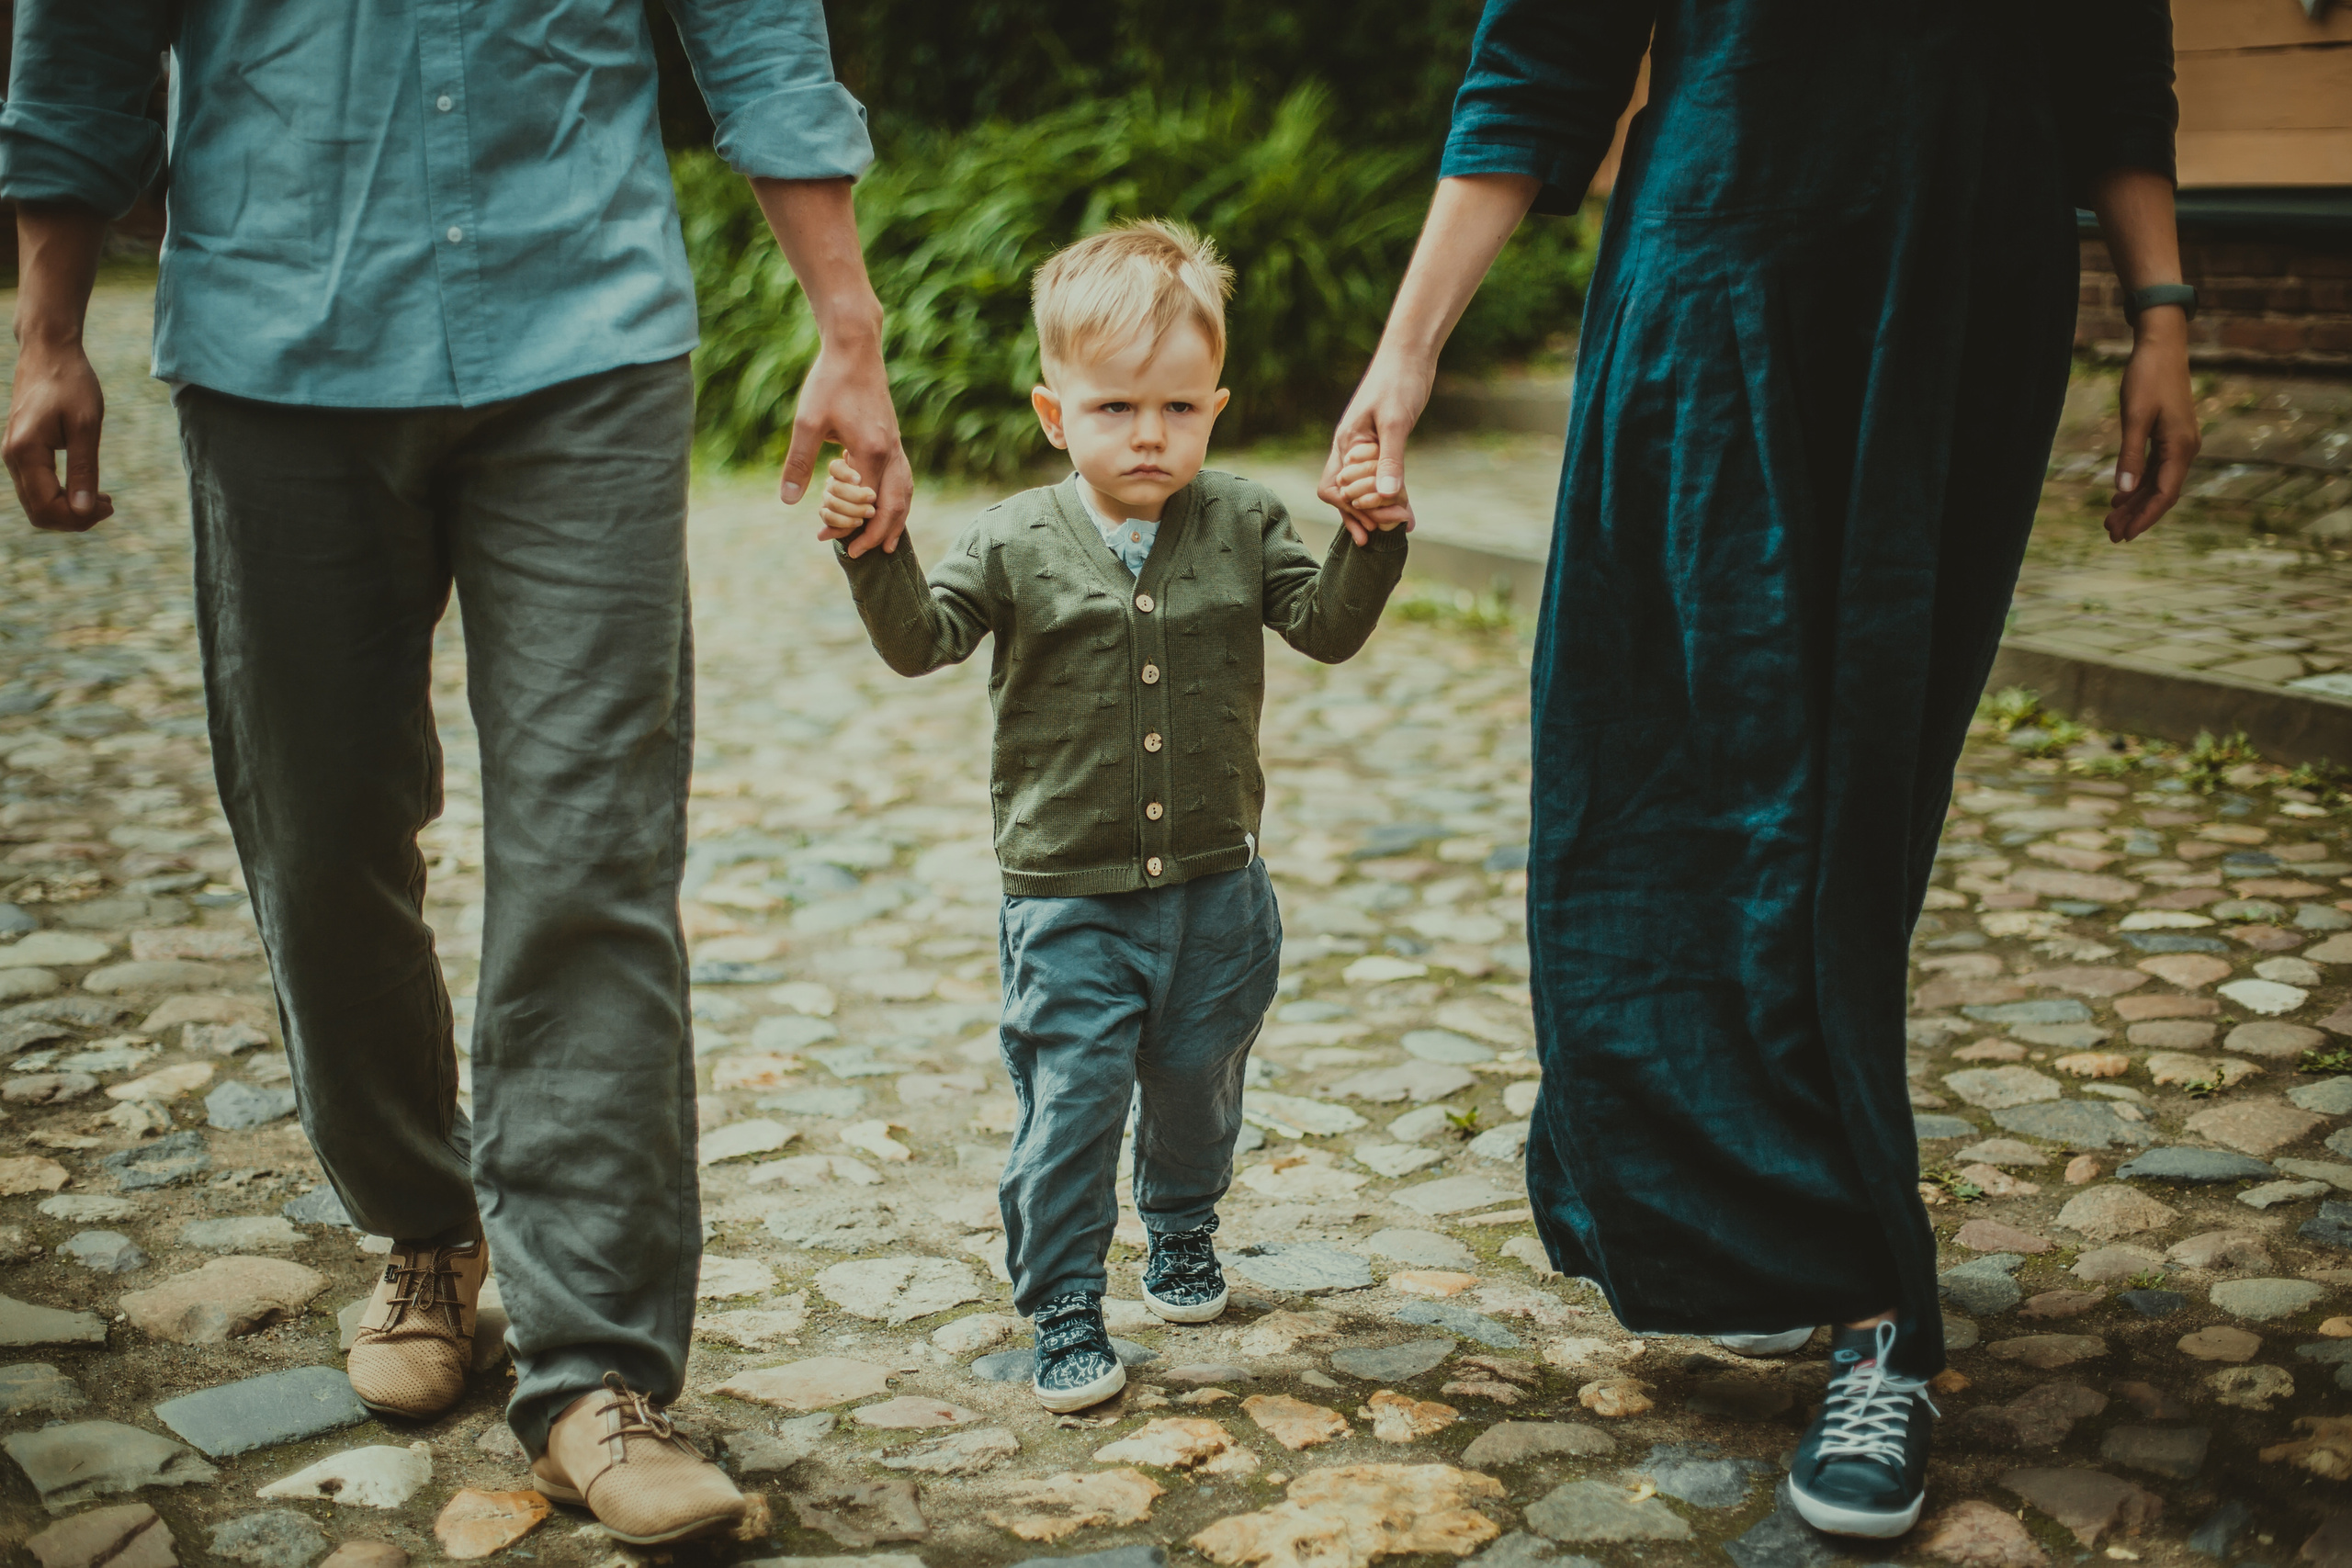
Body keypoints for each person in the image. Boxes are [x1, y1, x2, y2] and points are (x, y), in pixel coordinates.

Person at [1, 0, 910, 1544]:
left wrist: (850, 328)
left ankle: (593, 1380)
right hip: (276, 343)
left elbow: (754, 24)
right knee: (319, 838)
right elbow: (83, 37)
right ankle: (429, 1228)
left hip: (585, 336)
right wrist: (44, 330)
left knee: (591, 857)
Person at [1322, 0, 2195, 1540]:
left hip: (1957, 295)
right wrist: (1405, 359)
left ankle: (1850, 1291)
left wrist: (2164, 311)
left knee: (1856, 799)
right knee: (1658, 767)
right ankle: (1828, 1269)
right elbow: (1543, 61)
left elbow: (2110, 59)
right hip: (1712, 277)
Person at [817, 220, 1408, 1411]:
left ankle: (1181, 1230)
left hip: (1215, 894)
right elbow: (923, 640)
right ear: (1055, 413)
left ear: (1217, 406)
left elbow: (1327, 627)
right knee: (1072, 1110)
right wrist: (870, 550)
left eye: (1179, 409)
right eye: (1116, 408)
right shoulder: (1014, 540)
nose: (1149, 434)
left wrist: (1372, 538)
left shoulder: (1241, 521)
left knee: (1197, 1088)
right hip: (1068, 898)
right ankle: (1066, 1303)